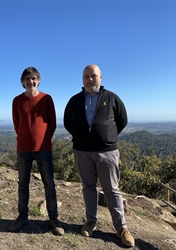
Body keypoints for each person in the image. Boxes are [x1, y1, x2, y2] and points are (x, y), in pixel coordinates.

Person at [63, 64, 135, 247]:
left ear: (101, 77)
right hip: (82, 152)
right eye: (86, 76)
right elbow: (67, 122)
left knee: (112, 189)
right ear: (82, 79)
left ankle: (122, 229)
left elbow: (122, 120)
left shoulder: (111, 98)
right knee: (88, 187)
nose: (90, 79)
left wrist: (106, 136)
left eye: (93, 76)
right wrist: (82, 137)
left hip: (107, 152)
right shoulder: (75, 100)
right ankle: (90, 221)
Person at [8, 67, 64, 236]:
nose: (30, 82)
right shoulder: (17, 101)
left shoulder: (47, 99)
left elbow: (52, 123)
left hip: (44, 148)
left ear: (38, 80)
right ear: (22, 81)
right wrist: (26, 138)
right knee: (23, 185)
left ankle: (54, 219)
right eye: (27, 79)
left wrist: (43, 139)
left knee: (50, 185)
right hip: (23, 148)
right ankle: (22, 217)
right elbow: (17, 124)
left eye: (33, 78)